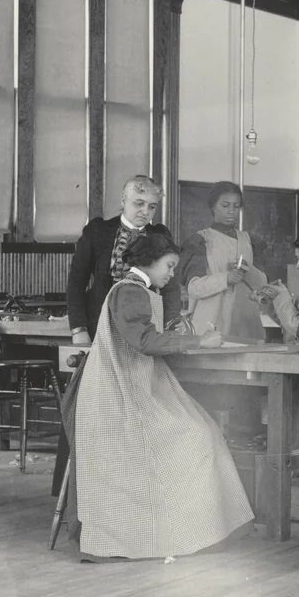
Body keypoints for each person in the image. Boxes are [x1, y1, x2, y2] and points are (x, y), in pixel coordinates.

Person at [72, 233, 254, 561]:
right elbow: (143, 340)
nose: (172, 273)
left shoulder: (140, 290)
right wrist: (200, 342)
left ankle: (195, 528)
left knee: (203, 431)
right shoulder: (130, 291)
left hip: (135, 384)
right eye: (169, 266)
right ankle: (189, 530)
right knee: (198, 436)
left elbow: (145, 336)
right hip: (118, 394)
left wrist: (182, 336)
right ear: (148, 262)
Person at [67, 175, 181, 344]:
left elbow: (171, 290)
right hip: (100, 322)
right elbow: (76, 283)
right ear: (123, 201)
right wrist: (78, 329)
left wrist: (172, 327)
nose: (145, 211)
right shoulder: (98, 231)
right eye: (139, 203)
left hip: (145, 326)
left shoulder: (160, 235)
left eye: (152, 206)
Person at [177, 181, 268, 341]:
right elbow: (193, 288)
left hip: (246, 325)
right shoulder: (200, 241)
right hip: (211, 325)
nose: (231, 211)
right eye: (225, 205)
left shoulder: (250, 241)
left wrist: (248, 271)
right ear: (213, 206)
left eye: (236, 206)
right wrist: (225, 278)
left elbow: (262, 286)